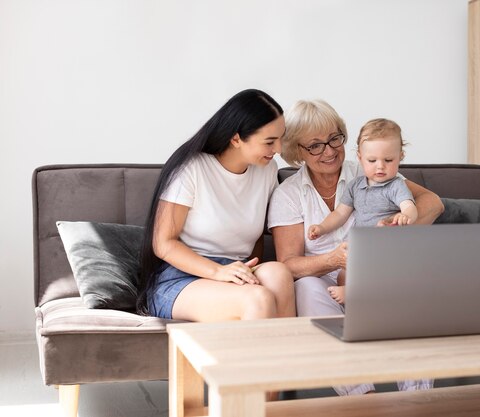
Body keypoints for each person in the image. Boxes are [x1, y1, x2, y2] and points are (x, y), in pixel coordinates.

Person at [268, 99, 444, 396]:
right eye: (315, 145)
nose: (330, 151)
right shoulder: (288, 194)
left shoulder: (371, 170)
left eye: (335, 138)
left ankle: (418, 400)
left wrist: (394, 229)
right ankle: (363, 397)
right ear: (297, 151)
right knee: (306, 287)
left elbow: (433, 203)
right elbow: (288, 262)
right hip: (325, 282)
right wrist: (333, 259)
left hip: (375, 271)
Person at [136, 89, 295, 327]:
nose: (279, 150)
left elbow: (257, 239)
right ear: (236, 138)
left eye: (281, 138)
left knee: (279, 275)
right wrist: (217, 273)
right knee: (257, 298)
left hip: (235, 271)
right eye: (270, 141)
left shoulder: (267, 170)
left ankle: (288, 363)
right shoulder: (191, 168)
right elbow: (163, 243)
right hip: (181, 277)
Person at [308, 118, 417, 304]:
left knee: (379, 270)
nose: (380, 166)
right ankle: (354, 296)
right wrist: (321, 228)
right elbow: (340, 214)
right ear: (360, 158)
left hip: (387, 245)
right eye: (372, 160)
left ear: (401, 157)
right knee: (345, 273)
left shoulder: (395, 185)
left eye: (388, 160)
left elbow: (410, 207)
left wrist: (404, 216)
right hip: (362, 246)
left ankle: (355, 294)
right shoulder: (356, 186)